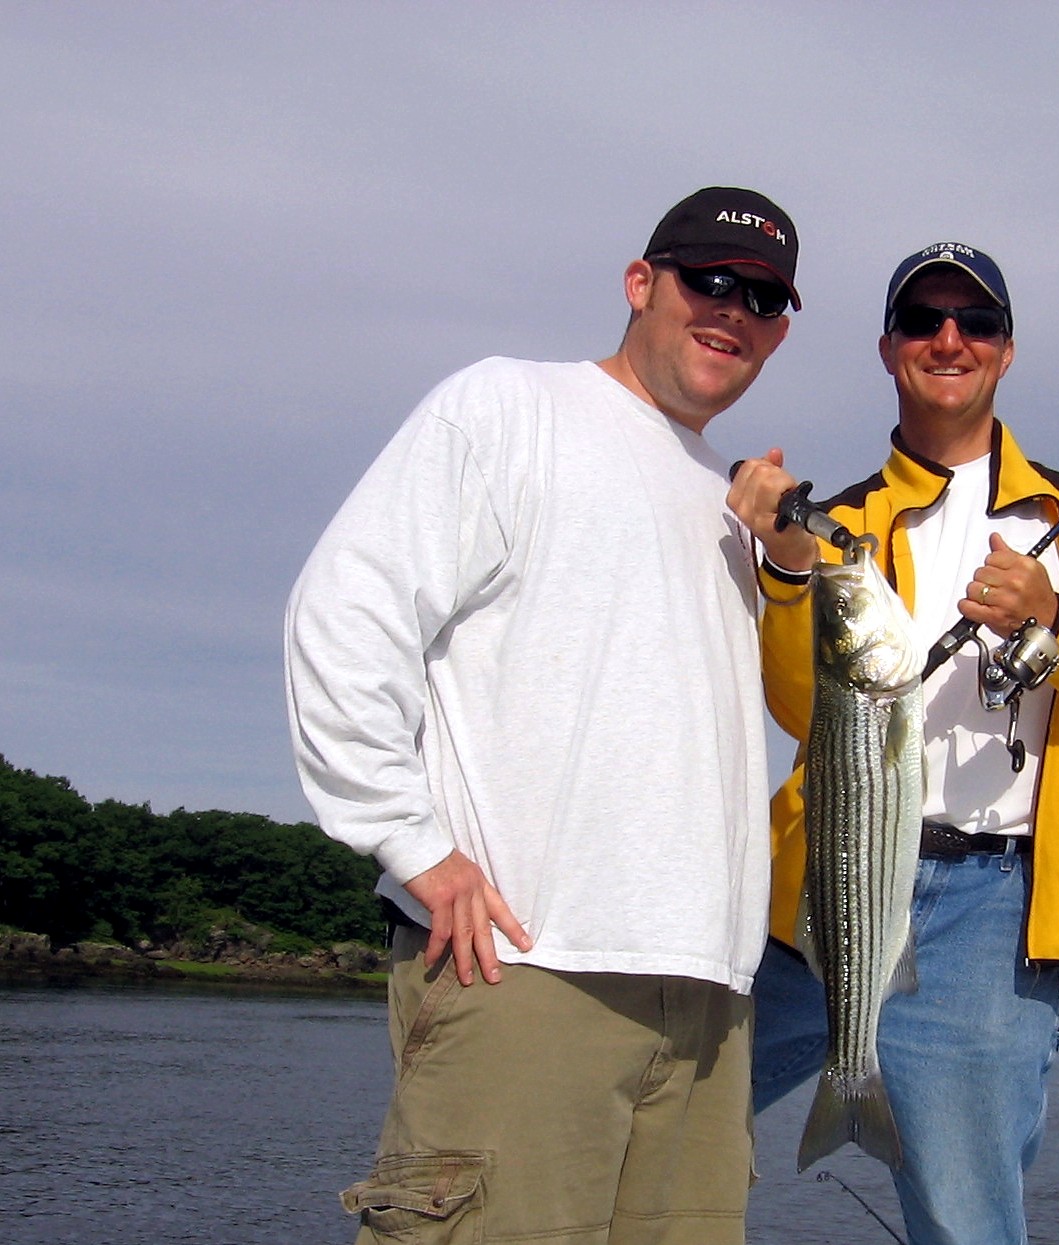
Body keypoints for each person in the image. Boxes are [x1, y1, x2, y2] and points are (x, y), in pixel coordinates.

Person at [284, 186, 802, 1245]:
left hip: (709, 1001)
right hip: (521, 968)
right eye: (708, 280)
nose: (731, 310)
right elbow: (345, 613)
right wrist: (411, 841)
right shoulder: (506, 406)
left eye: (761, 298)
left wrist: (792, 565)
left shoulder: (731, 504)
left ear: (779, 333)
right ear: (640, 284)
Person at [727, 241, 1059, 1245]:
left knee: (964, 1221)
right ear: (888, 348)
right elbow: (800, 709)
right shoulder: (839, 523)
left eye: (975, 322)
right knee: (668, 1121)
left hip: (990, 913)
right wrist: (788, 572)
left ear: (1006, 350)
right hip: (824, 882)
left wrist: (1058, 621)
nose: (949, 339)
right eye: (922, 320)